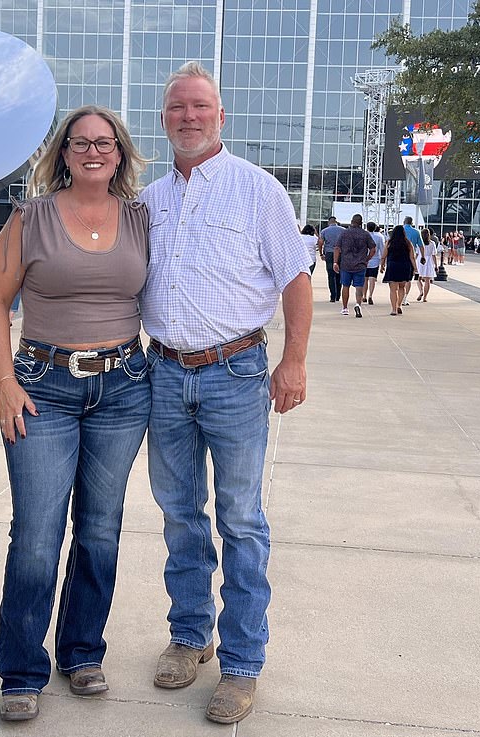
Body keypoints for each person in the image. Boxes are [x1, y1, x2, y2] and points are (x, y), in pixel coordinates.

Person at [138, 61, 313, 725]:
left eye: (200, 107)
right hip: (164, 372)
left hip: (237, 373)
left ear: (220, 116)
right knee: (180, 513)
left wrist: (293, 361)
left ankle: (242, 663)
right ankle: (190, 637)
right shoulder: (148, 202)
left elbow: (295, 282)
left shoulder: (258, 190)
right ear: (165, 120)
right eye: (177, 107)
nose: (189, 116)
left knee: (240, 519)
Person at [0, 105, 151, 722]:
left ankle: (82, 651)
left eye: (104, 143)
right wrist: (5, 384)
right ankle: (22, 668)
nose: (93, 151)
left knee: (100, 529)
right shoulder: (30, 218)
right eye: (80, 143)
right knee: (36, 534)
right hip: (42, 387)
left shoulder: (140, 217)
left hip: (125, 387)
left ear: (120, 152)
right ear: (63, 153)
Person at [332, 214, 375, 318]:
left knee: (345, 286)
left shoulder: (344, 233)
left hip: (346, 264)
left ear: (351, 221)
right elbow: (373, 249)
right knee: (359, 286)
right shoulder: (365, 234)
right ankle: (358, 304)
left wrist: (335, 262)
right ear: (361, 223)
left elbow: (337, 248)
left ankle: (345, 308)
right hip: (360, 264)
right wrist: (367, 259)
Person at [380, 224, 417, 315]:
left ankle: (394, 309)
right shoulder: (408, 243)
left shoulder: (389, 242)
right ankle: (399, 305)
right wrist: (415, 268)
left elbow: (384, 256)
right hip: (405, 266)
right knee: (402, 287)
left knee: (393, 289)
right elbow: (412, 257)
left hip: (393, 266)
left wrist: (382, 266)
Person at [318, 216, 345, 302]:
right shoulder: (343, 230)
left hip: (329, 253)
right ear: (336, 221)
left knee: (331, 275)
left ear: (329, 222)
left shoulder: (324, 231)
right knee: (339, 274)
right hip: (340, 253)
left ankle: (332, 296)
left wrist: (321, 253)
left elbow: (320, 243)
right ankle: (338, 296)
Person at [362, 221, 384, 305]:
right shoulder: (379, 236)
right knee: (372, 279)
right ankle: (370, 295)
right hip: (375, 260)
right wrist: (383, 261)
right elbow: (382, 249)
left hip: (364, 259)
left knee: (365, 279)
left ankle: (364, 296)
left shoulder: (363, 235)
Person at [402, 216, 423, 306]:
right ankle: (404, 298)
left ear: (404, 222)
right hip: (410, 257)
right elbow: (421, 246)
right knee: (408, 279)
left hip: (398, 256)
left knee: (397, 278)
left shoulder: (399, 230)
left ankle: (398, 295)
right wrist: (423, 256)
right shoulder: (416, 232)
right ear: (412, 223)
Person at [415, 228, 438, 302]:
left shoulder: (419, 243)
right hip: (429, 261)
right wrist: (436, 265)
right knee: (427, 280)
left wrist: (413, 263)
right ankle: (425, 297)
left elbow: (417, 253)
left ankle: (421, 291)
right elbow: (434, 255)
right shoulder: (432, 243)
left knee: (418, 278)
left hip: (420, 260)